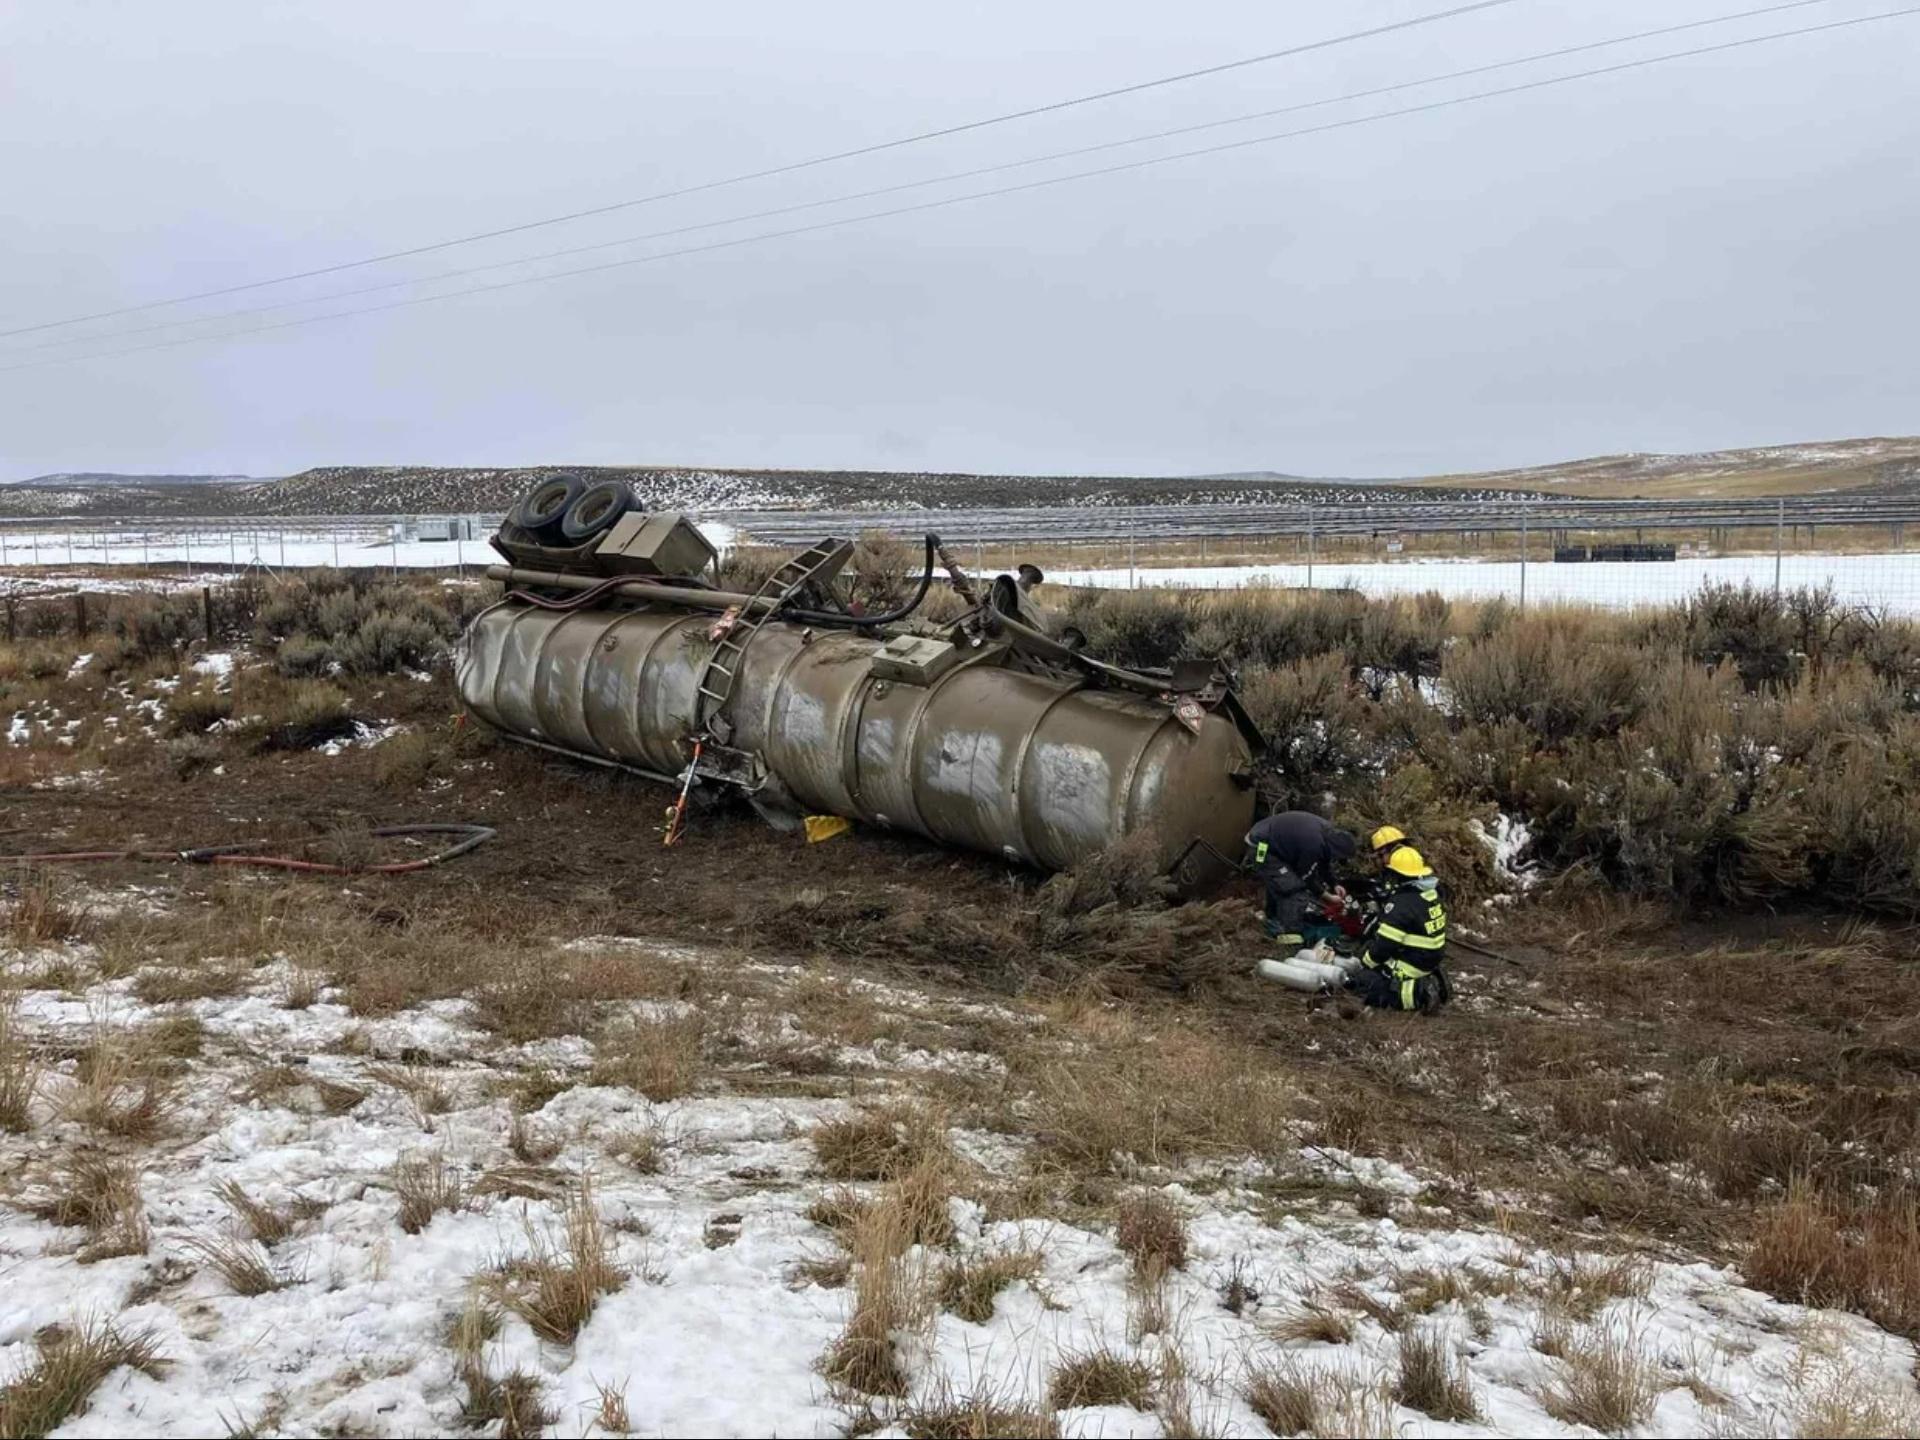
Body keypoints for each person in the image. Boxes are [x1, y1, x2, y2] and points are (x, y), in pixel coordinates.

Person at [1347, 841, 1452, 1012]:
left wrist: (1366, 962)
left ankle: (1421, 994)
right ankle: (1431, 980)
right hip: (1429, 958)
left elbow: (1385, 944)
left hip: (1411, 963)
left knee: (1363, 983)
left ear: (1398, 875)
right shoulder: (1430, 893)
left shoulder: (1402, 902)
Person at [1243, 810, 1358, 949]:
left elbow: (1323, 862)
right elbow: (1307, 877)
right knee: (1293, 889)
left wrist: (1334, 884)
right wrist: (1327, 896)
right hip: (1261, 848)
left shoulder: (1327, 834)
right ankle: (1289, 937)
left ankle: (1271, 917)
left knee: (1281, 882)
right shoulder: (1313, 845)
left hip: (1270, 839)